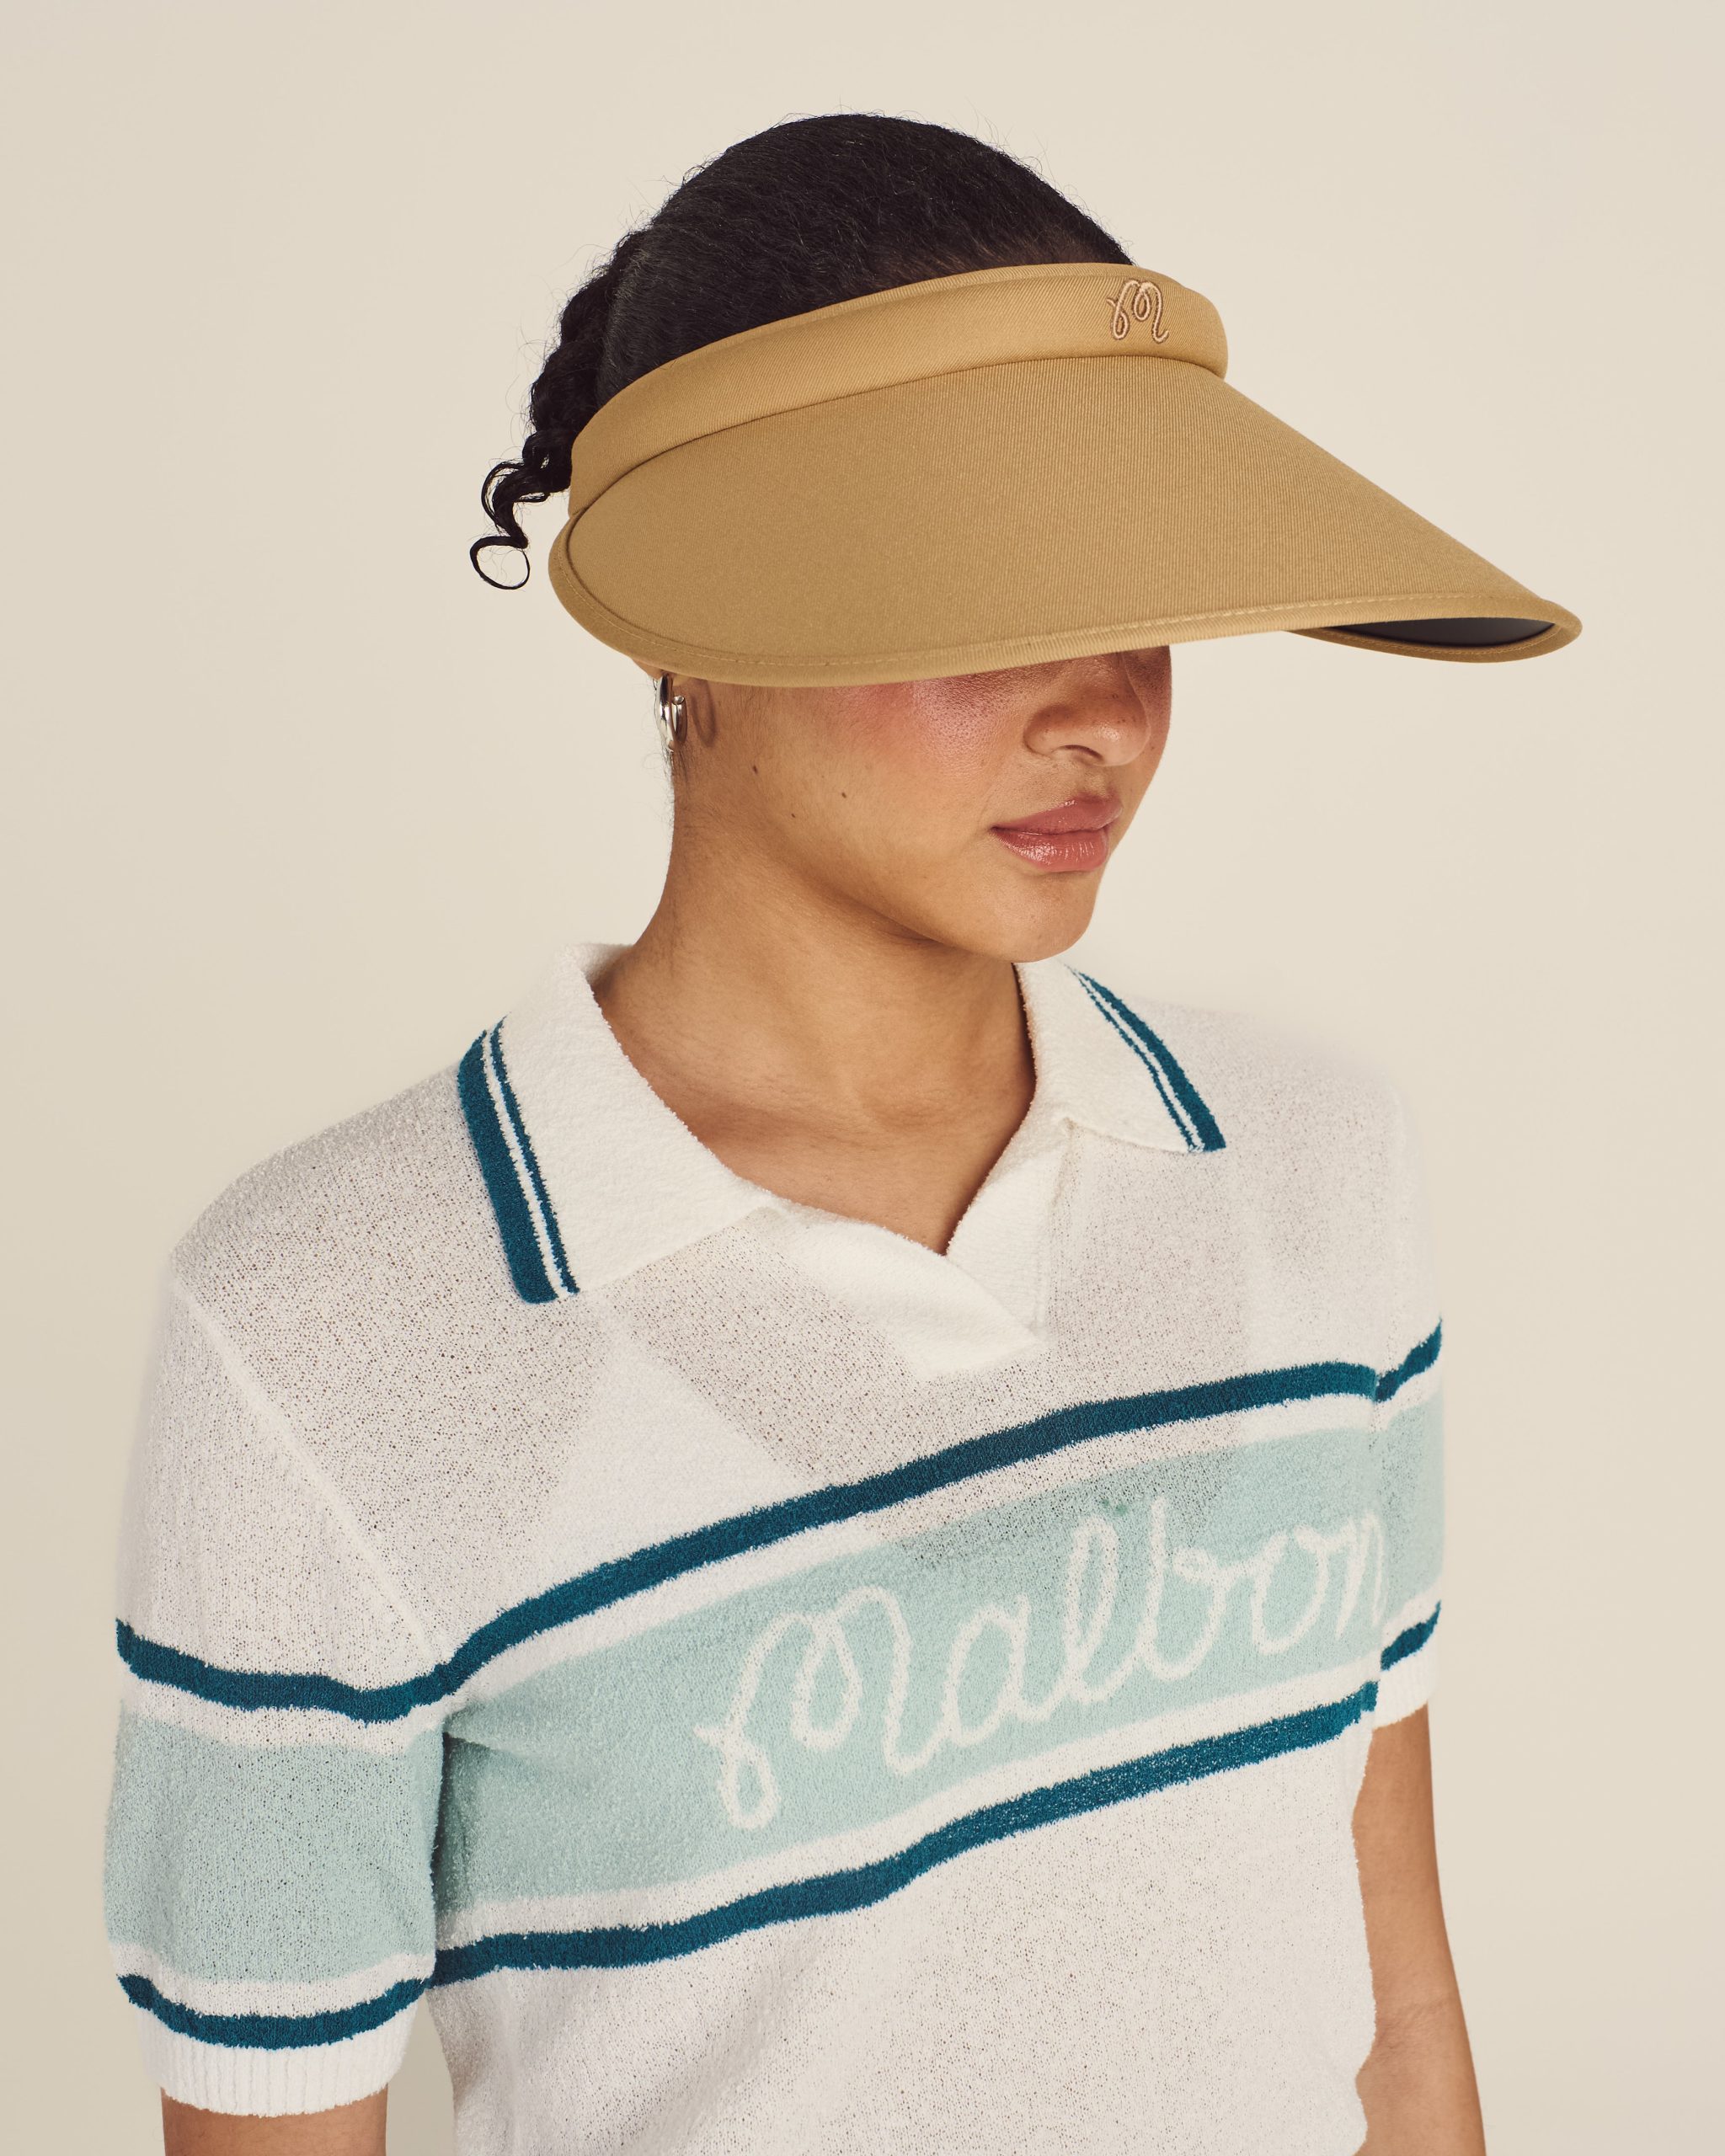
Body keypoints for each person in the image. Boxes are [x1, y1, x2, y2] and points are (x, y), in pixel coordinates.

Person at [102, 112, 1578, 2156]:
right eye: (985, 598)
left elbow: (1393, 2005)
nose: (1104, 713)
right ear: (688, 625)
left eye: (1143, 601)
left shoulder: (1312, 1165)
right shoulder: (328, 1326)